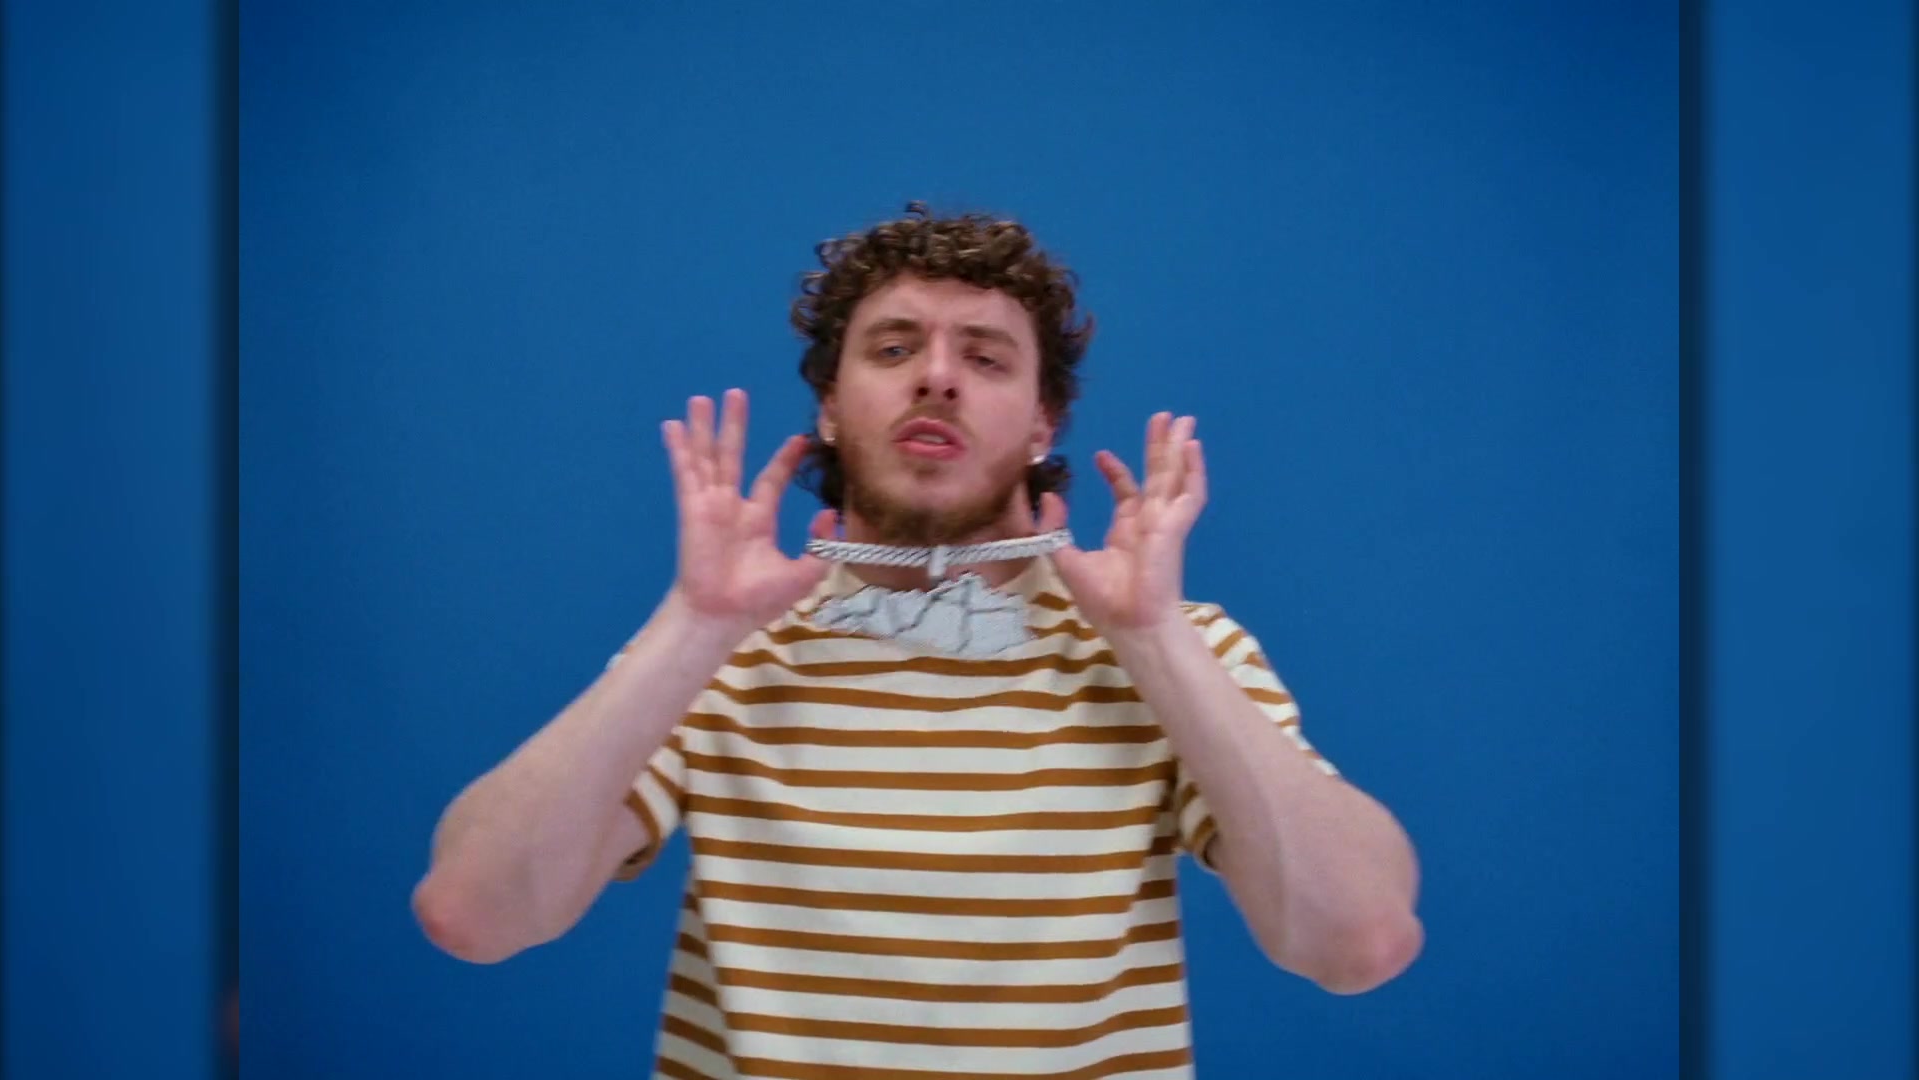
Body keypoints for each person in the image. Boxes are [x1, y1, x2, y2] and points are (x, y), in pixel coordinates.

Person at [412, 203, 1423, 1078]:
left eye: (985, 358)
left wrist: (1155, 641)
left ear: (1044, 423)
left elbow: (1359, 942)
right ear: (830, 407)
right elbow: (475, 914)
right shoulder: (719, 653)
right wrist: (695, 626)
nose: (937, 377)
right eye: (894, 349)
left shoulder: (1179, 652)